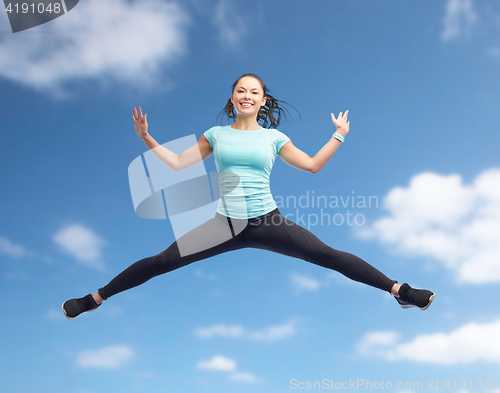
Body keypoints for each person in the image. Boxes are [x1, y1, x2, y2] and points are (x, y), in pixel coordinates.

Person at [62, 73, 435, 319]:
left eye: (254, 92)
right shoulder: (216, 134)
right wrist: (146, 137)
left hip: (266, 220)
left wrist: (339, 135)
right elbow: (177, 164)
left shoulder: (273, 138)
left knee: (326, 255)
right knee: (163, 261)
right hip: (223, 223)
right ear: (233, 97)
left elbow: (312, 166)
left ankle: (399, 290)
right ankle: (95, 299)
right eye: (241, 90)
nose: (247, 95)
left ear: (262, 101)